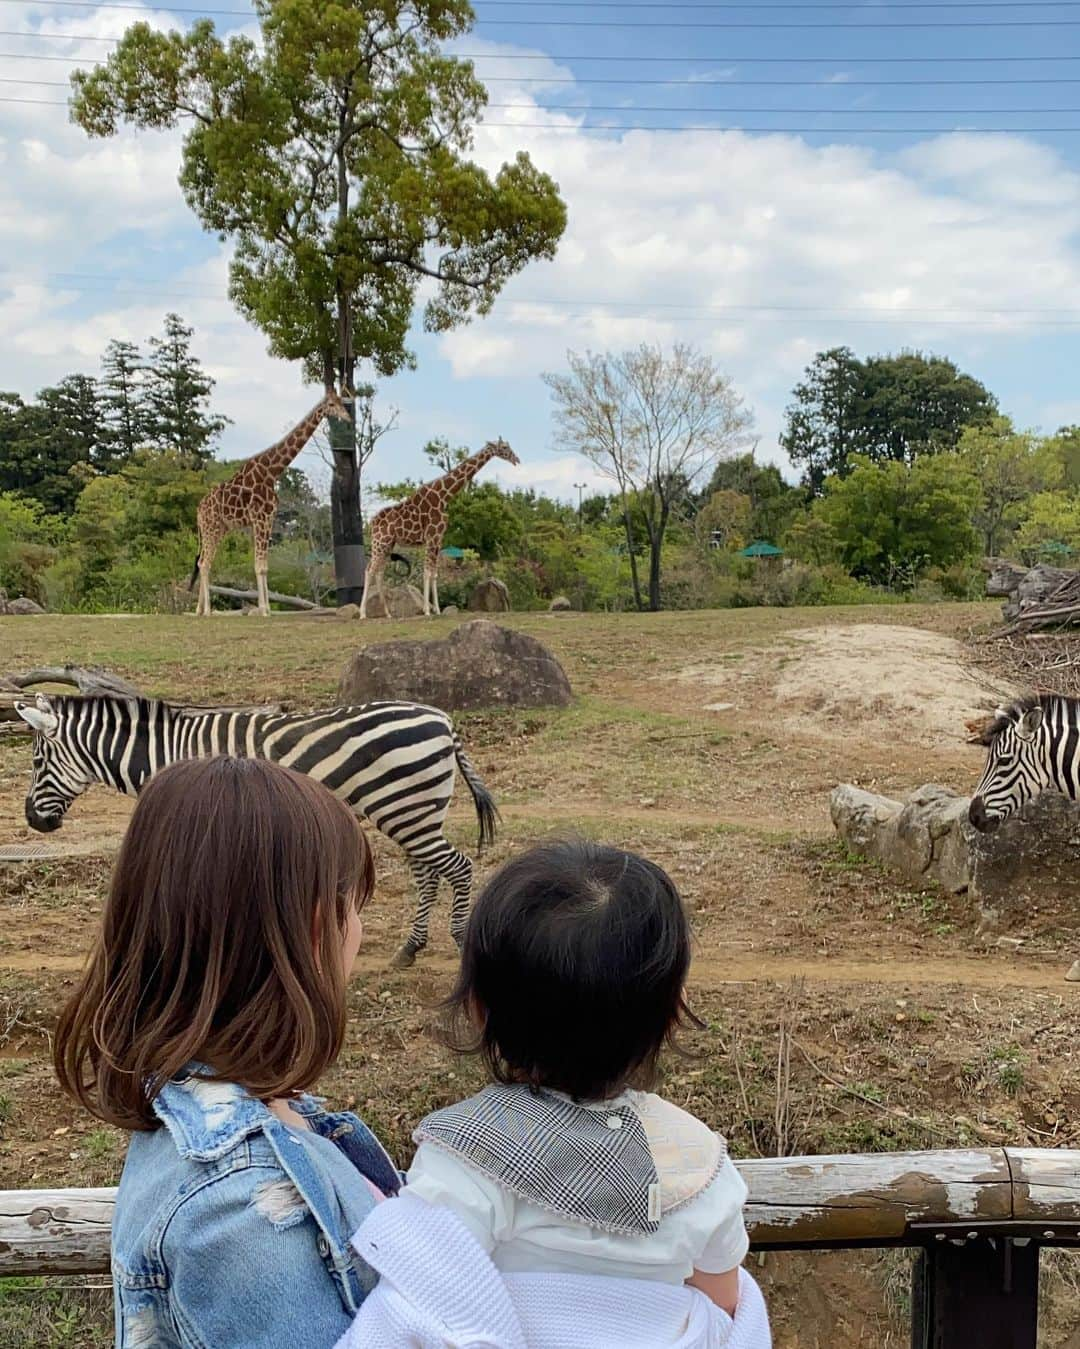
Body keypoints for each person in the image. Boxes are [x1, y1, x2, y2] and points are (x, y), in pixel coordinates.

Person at [334, 839, 770, 1349]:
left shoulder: (463, 1155)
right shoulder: (700, 1167)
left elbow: (418, 1301)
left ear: (477, 1008)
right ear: (674, 1012)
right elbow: (723, 1311)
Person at [53, 756, 401, 1349]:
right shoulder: (242, 1209)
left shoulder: (249, 1113)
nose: (360, 932)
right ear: (315, 927)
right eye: (355, 905)